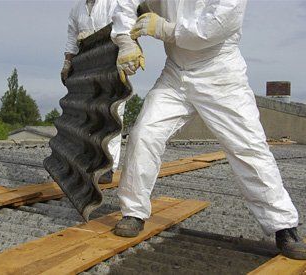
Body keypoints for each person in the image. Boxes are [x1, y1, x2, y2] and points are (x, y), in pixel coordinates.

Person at [110, 0, 306, 260]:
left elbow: (214, 26)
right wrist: (125, 40)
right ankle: (133, 211)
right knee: (144, 133)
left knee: (248, 147)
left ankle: (283, 226)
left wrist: (165, 30)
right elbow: (126, 2)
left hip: (220, 73)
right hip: (175, 73)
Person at [61, 0, 126, 183]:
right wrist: (67, 63)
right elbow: (72, 37)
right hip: (88, 64)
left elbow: (126, 27)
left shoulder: (114, 3)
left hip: (113, 62)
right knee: (90, 113)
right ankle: (90, 161)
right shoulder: (77, 9)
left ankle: (108, 167)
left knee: (112, 113)